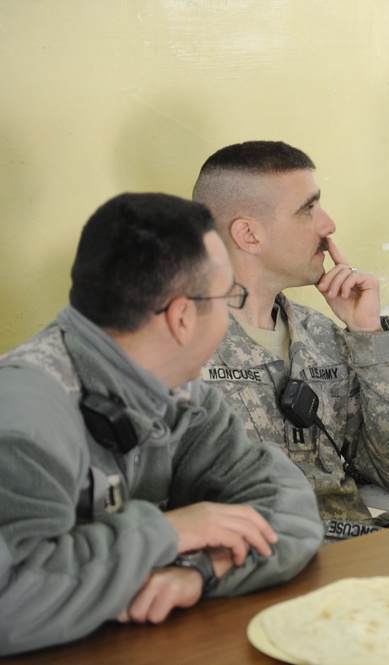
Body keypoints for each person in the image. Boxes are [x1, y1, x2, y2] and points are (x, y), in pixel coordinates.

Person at [0, 193, 324, 656]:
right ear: (182, 316)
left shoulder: (179, 394)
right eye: (229, 295)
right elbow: (10, 599)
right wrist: (170, 532)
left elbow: (288, 509)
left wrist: (198, 568)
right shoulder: (23, 418)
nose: (233, 308)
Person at [192, 141, 389, 541]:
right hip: (254, 571)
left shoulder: (322, 335)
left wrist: (369, 335)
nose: (328, 225)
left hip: (353, 555)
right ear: (249, 234)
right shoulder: (174, 349)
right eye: (307, 209)